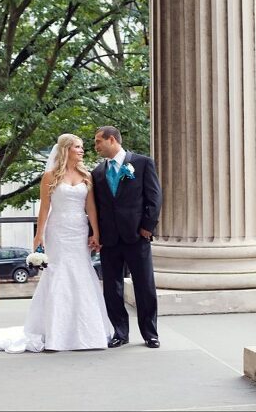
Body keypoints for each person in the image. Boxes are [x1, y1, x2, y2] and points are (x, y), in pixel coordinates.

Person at [0, 134, 112, 352]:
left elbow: (91, 208)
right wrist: (39, 235)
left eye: (81, 147)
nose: (82, 150)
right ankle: (55, 333)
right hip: (57, 231)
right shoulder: (50, 176)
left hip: (79, 231)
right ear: (66, 150)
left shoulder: (86, 175)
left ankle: (87, 333)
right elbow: (44, 208)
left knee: (81, 273)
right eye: (77, 147)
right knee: (58, 274)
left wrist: (95, 233)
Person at [91, 126, 163, 348]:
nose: (96, 147)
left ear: (111, 139)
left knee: (145, 286)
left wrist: (147, 227)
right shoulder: (97, 173)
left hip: (136, 236)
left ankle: (150, 334)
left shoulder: (142, 163)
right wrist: (96, 235)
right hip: (109, 240)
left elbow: (154, 197)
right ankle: (120, 333)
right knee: (112, 289)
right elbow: (96, 207)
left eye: (98, 142)